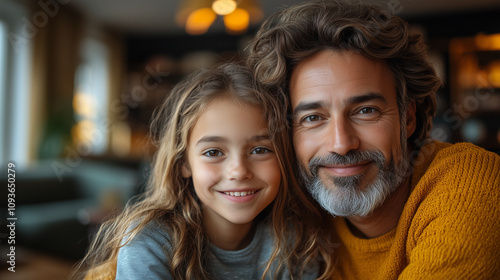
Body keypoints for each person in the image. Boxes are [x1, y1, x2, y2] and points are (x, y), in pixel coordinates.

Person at [247, 0, 500, 278]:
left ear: (408, 119)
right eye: (312, 118)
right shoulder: (293, 212)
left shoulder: (469, 180)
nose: (341, 144)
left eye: (366, 111)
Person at [75, 63, 335, 280]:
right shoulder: (150, 241)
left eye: (260, 150)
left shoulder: (296, 241)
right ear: (184, 163)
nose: (239, 171)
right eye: (214, 152)